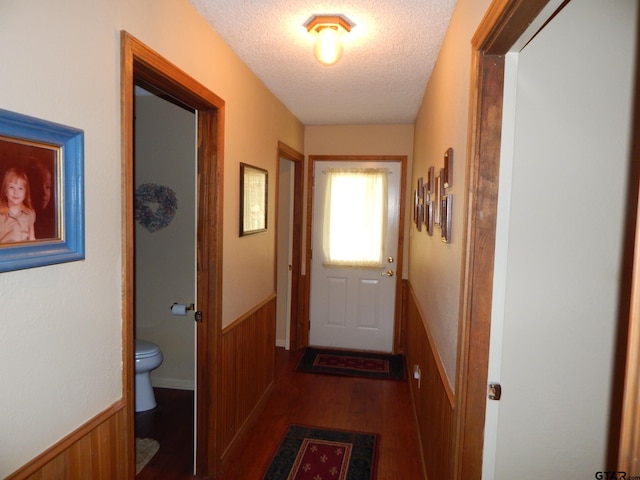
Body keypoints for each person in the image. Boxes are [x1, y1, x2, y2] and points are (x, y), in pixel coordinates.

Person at [0, 167, 36, 243]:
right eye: (11, 187)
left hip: (24, 253)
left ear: (25, 193)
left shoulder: (30, 214)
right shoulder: (1, 215)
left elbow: (32, 239)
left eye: (20, 188)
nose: (16, 192)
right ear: (5, 191)